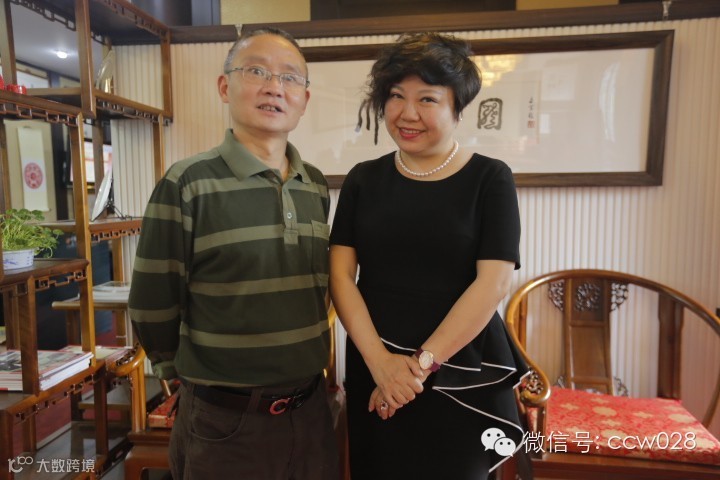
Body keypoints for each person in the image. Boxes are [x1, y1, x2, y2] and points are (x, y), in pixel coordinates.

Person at [128, 27, 338, 480]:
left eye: (289, 77)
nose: (274, 87)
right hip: (224, 423)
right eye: (256, 71)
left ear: (304, 98)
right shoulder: (187, 183)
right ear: (225, 87)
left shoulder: (315, 184)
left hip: (311, 414)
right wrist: (183, 376)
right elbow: (152, 301)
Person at [329, 32, 529, 479]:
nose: (407, 113)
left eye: (427, 99)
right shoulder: (362, 179)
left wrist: (417, 369)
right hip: (374, 363)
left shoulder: (491, 178)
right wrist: (382, 365)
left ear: (457, 107)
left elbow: (493, 283)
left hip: (458, 368)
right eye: (396, 96)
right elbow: (340, 277)